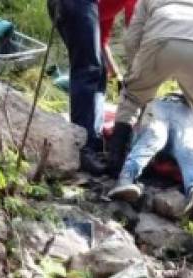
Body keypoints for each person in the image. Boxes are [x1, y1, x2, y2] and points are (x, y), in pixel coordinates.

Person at [107, 0, 193, 183]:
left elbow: (132, 38)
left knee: (132, 97)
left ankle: (115, 164)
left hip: (160, 40)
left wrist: (137, 69)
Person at [48, 0, 136, 175]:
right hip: (77, 4)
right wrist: (137, 81)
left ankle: (93, 143)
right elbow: (135, 34)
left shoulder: (104, 9)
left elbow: (101, 43)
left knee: (97, 70)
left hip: (69, 6)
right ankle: (82, 147)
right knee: (87, 70)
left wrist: (117, 74)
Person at [107, 94, 193, 217]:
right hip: (163, 103)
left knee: (186, 145)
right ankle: (125, 179)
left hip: (186, 109)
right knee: (156, 136)